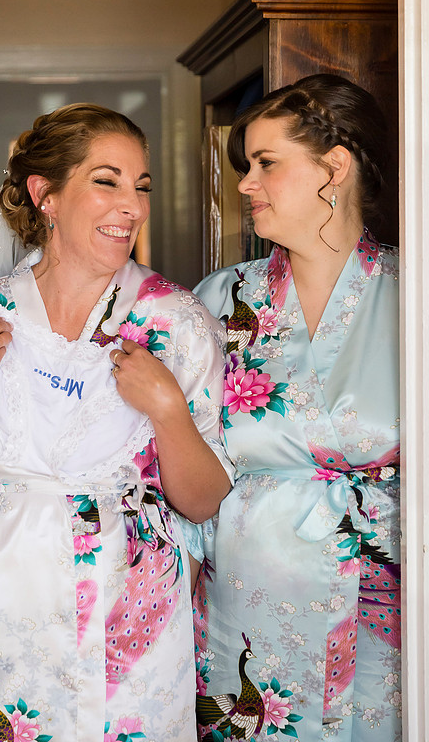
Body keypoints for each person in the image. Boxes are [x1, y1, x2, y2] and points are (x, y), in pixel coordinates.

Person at [0, 103, 233, 741]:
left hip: (128, 611)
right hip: (1, 596)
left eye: (141, 186)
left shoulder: (175, 322)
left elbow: (203, 501)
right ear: (44, 194)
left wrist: (167, 409)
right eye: (107, 181)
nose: (131, 206)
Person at [192, 74, 400, 742]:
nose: (245, 184)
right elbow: (183, 466)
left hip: (385, 599)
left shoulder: (413, 294)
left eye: (266, 163)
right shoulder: (219, 302)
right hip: (248, 606)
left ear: (333, 168)